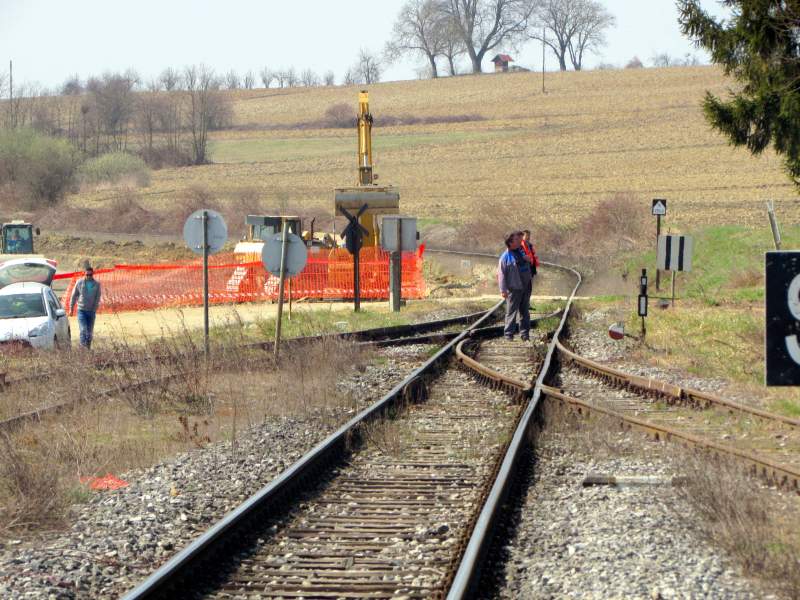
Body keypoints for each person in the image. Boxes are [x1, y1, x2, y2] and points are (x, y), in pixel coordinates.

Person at [498, 231, 533, 341]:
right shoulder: (505, 257)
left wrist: (528, 260)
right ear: (510, 243)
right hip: (514, 289)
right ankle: (508, 335)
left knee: (525, 311)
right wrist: (503, 290)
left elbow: (529, 264)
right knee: (511, 312)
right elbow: (501, 275)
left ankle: (525, 334)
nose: (519, 241)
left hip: (526, 287)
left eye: (519, 239)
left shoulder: (521, 251)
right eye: (517, 240)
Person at [69, 265, 102, 349]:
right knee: (83, 330)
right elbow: (74, 295)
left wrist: (94, 309)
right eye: (87, 275)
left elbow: (97, 298)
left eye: (90, 275)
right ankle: (82, 348)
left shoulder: (97, 284)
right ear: (84, 274)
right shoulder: (79, 282)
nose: (88, 276)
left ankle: (88, 348)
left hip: (91, 311)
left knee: (89, 333)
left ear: (93, 274)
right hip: (81, 311)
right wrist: (71, 308)